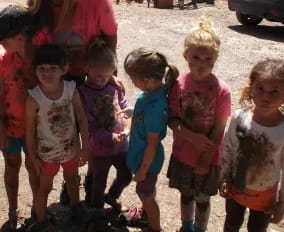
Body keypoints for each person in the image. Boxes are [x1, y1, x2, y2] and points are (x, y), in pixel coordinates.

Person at [27, 0, 119, 204]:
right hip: (55, 78)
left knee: (91, 133)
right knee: (60, 130)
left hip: (88, 77)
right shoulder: (36, 2)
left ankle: (85, 188)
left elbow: (110, 36)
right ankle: (66, 181)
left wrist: (108, 73)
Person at [219, 59, 284, 232]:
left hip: (264, 196)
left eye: (274, 92)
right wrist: (223, 177)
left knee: (257, 229)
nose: (266, 97)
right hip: (235, 188)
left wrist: (282, 205)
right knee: (231, 224)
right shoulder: (239, 118)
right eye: (260, 89)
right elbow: (228, 148)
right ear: (251, 88)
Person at [167, 19, 231, 232]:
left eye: (207, 59)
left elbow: (219, 128)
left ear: (215, 59)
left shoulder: (221, 90)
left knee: (203, 199)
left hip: (208, 157)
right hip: (183, 154)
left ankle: (200, 229)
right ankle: (187, 227)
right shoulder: (178, 85)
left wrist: (205, 158)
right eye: (196, 57)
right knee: (186, 196)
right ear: (186, 56)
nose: (201, 63)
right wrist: (190, 136)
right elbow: (172, 119)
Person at [0, 4, 43, 230]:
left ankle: (39, 208)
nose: (0, 44)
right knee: (11, 164)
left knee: (34, 166)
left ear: (19, 37)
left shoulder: (42, 60)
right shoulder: (3, 60)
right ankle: (12, 210)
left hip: (35, 129)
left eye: (2, 39)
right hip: (10, 127)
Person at [25, 44, 89, 231]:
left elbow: (81, 119)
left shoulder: (70, 89)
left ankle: (76, 208)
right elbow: (29, 131)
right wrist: (32, 156)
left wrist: (84, 147)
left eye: (53, 68)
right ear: (35, 70)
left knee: (72, 179)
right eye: (42, 68)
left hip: (70, 149)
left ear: (64, 69)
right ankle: (42, 221)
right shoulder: (34, 98)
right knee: (44, 188)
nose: (47, 73)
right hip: (47, 154)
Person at [77, 39, 132, 230]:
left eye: (107, 75)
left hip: (121, 143)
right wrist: (109, 137)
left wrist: (126, 127)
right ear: (87, 68)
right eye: (98, 75)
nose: (102, 79)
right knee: (99, 179)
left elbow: (124, 107)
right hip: (100, 147)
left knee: (126, 174)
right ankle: (96, 212)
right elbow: (88, 124)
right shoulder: (83, 93)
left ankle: (113, 196)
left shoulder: (114, 86)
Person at [123, 48, 179, 232]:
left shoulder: (156, 107)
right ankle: (146, 215)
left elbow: (152, 143)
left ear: (146, 80)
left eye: (133, 78)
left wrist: (142, 170)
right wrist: (134, 111)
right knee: (146, 191)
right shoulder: (151, 94)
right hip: (143, 157)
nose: (131, 82)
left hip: (147, 160)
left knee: (145, 193)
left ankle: (155, 228)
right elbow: (144, 116)